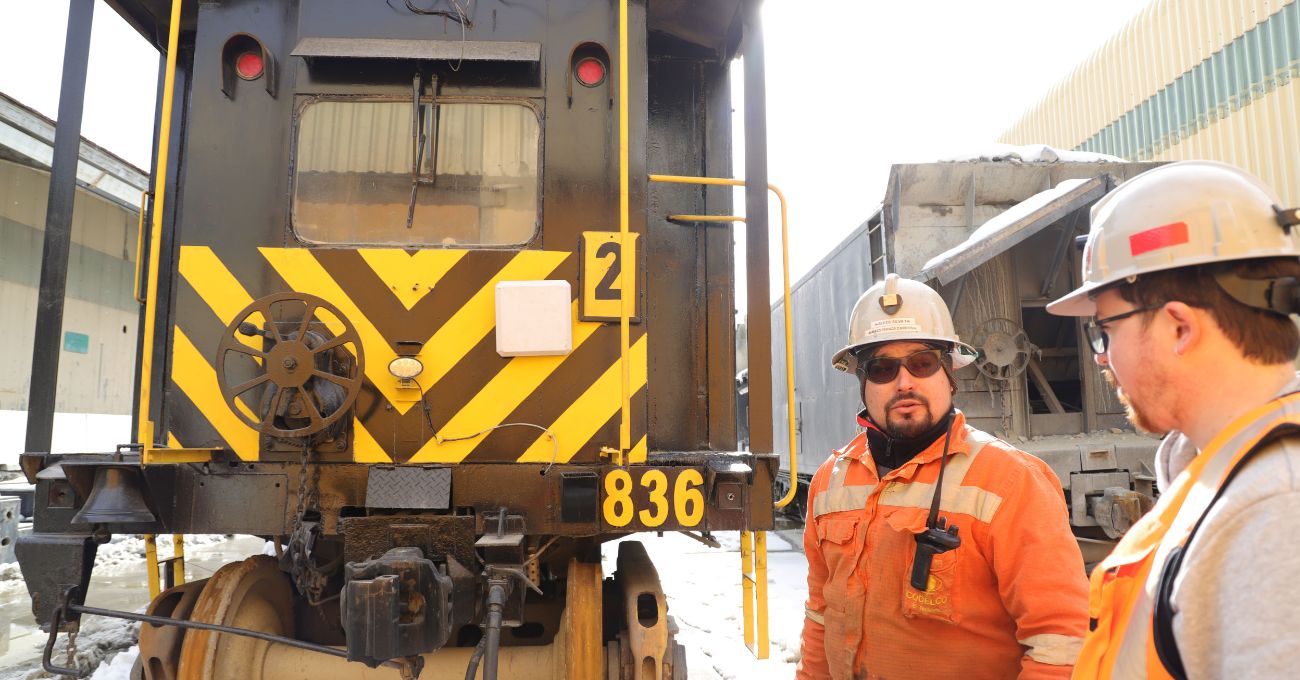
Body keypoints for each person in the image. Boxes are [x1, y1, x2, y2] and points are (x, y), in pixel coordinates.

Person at [1046, 160, 1300, 679]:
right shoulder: (1229, 481)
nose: (1101, 356)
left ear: (1178, 327)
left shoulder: (1278, 508)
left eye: (1104, 330)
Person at [797, 273, 1089, 679]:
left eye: (922, 363)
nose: (904, 382)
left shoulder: (1010, 480)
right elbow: (821, 616)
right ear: (862, 382)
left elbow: (1059, 642)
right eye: (882, 368)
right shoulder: (832, 480)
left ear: (949, 373)